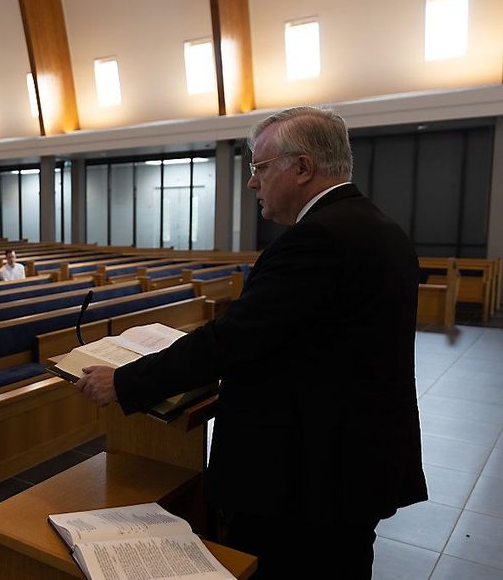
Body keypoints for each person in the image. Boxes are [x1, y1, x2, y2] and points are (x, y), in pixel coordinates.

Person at [75, 106, 426, 580]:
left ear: (303, 168)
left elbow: (234, 339)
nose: (252, 182)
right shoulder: (380, 228)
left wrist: (126, 381)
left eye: (260, 168)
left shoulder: (318, 238)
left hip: (305, 475)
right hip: (355, 459)